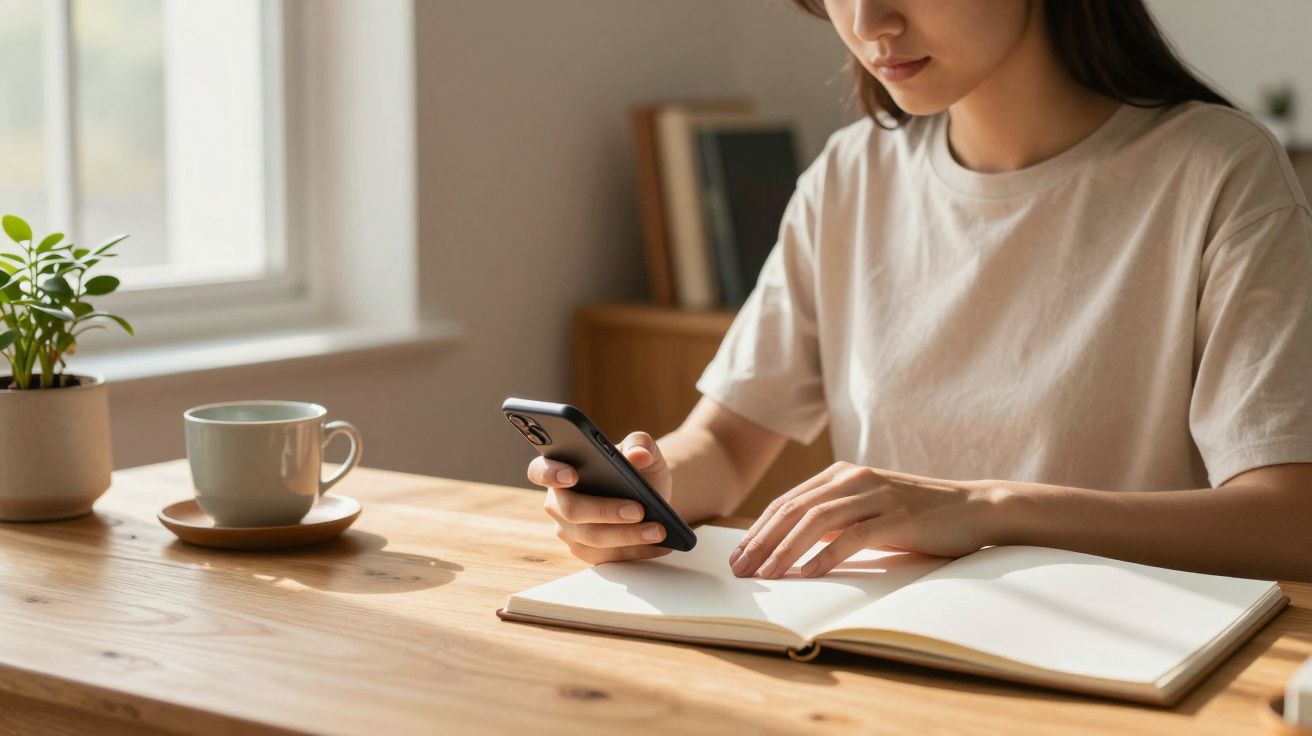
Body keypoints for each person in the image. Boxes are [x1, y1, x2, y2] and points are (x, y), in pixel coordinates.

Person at [528, 0, 1312, 582]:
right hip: (874, 657)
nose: (869, 20)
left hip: (1110, 667)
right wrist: (641, 488)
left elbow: (1289, 522)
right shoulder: (850, 174)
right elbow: (726, 445)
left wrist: (987, 511)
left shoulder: (1219, 172)